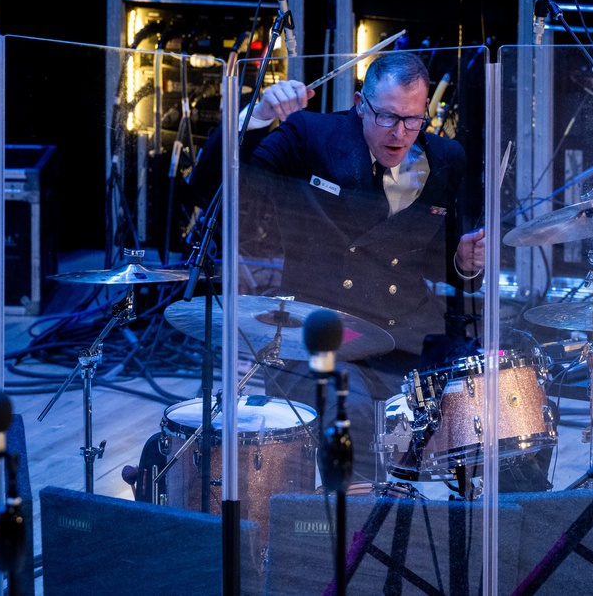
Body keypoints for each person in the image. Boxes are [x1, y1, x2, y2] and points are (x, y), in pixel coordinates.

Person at [191, 51, 486, 487]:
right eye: (387, 117)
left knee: (496, 406)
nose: (400, 133)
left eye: (413, 120)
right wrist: (255, 116)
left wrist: (463, 263)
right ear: (359, 103)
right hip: (319, 336)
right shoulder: (310, 134)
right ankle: (355, 540)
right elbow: (210, 187)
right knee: (358, 419)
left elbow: (442, 255)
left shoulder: (446, 157)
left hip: (405, 337)